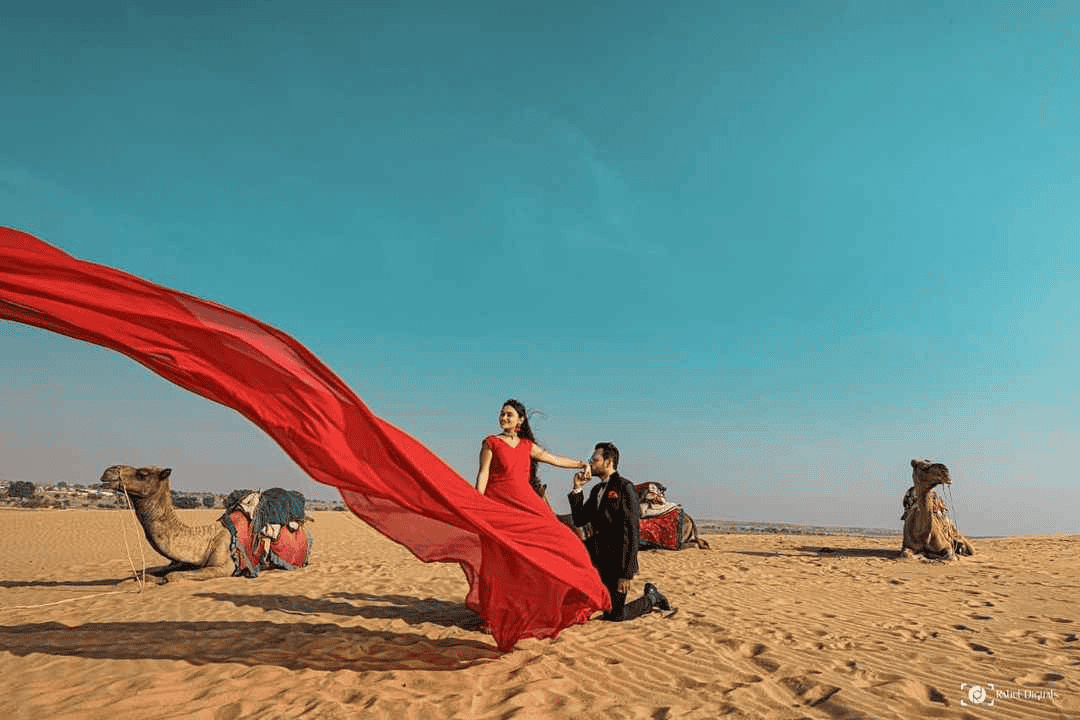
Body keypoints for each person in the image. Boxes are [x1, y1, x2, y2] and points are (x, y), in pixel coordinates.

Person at [568, 442, 673, 621]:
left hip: (617, 563)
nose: (590, 464)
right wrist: (578, 489)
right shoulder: (596, 490)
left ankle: (652, 598)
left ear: (608, 462)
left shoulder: (625, 488)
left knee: (615, 615)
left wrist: (626, 574)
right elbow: (579, 520)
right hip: (596, 558)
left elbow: (631, 533)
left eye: (594, 460)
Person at [475, 399, 590, 516]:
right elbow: (483, 473)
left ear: (520, 420)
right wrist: (478, 501)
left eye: (509, 415)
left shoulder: (527, 445)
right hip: (497, 499)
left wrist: (582, 464)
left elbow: (556, 460)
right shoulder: (491, 442)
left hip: (524, 499)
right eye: (502, 414)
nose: (504, 418)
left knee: (553, 525)